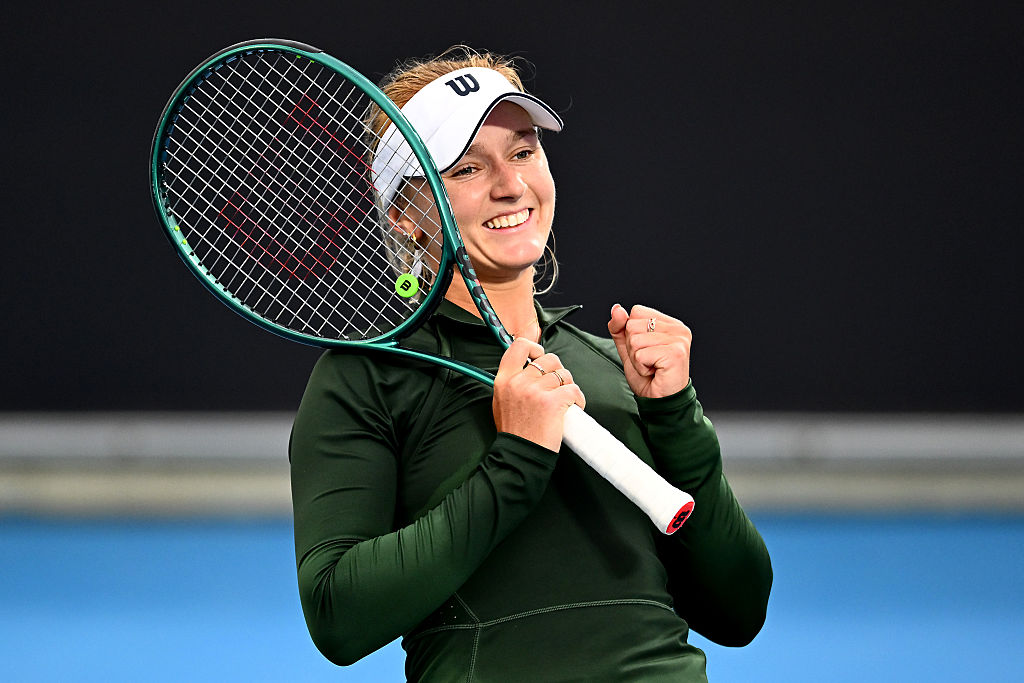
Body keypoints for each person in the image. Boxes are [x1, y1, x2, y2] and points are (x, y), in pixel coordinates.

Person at [289, 47, 772, 682]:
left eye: (523, 152)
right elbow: (338, 615)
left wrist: (677, 419)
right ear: (406, 217)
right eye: (465, 169)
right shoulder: (364, 380)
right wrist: (515, 461)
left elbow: (738, 612)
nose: (510, 185)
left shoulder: (611, 366)